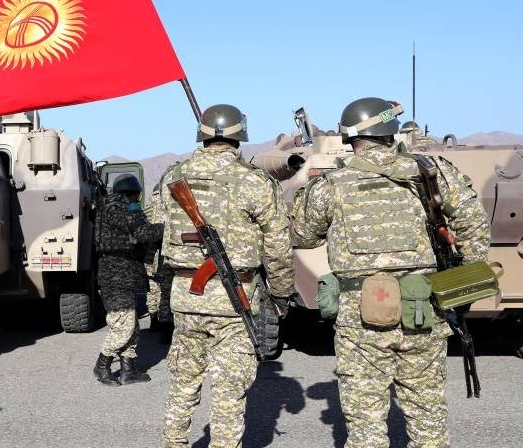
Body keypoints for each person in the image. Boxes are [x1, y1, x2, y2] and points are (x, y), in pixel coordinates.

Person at [292, 97, 490, 448]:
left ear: (350, 137)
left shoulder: (332, 183)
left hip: (360, 317)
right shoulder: (431, 171)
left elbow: (304, 235)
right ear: (390, 131)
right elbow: (474, 224)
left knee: (366, 423)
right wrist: (462, 289)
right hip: (423, 306)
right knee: (427, 415)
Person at [160, 104, 294, 448]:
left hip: (186, 297)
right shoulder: (256, 181)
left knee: (183, 385)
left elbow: (157, 219)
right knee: (229, 393)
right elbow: (278, 247)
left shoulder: (174, 175)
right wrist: (280, 296)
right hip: (236, 301)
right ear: (240, 134)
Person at [93, 173, 164, 387]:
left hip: (123, 273)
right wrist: (167, 228)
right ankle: (102, 366)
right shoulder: (116, 208)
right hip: (115, 275)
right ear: (130, 194)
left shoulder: (114, 207)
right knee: (123, 325)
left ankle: (128, 370)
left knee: (131, 325)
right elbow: (143, 232)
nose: (136, 200)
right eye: (135, 196)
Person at [143, 176, 174, 339]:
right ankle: (165, 324)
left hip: (150, 253)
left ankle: (153, 318)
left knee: (152, 287)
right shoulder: (170, 202)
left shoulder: (149, 206)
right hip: (165, 253)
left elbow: (144, 225)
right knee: (165, 289)